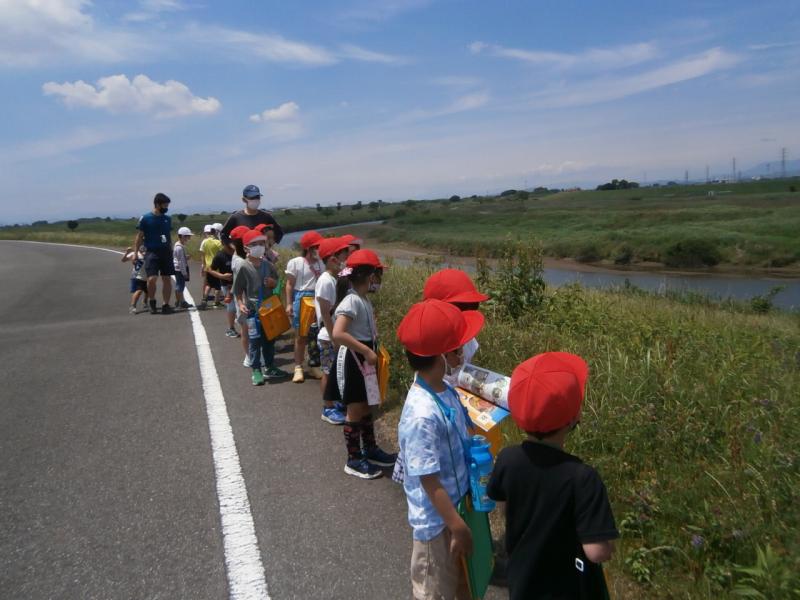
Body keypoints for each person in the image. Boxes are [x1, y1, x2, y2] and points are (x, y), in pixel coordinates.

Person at [487, 352, 618, 600]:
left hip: (522, 581)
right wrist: (609, 546)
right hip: (567, 589)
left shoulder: (507, 458)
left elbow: (504, 509)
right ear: (573, 418)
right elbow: (596, 551)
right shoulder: (583, 478)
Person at [395, 299, 485, 600]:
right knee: (435, 589)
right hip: (437, 524)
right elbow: (429, 481)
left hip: (456, 507)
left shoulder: (444, 390)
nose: (463, 354)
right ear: (441, 356)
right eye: (458, 350)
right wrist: (457, 527)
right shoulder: (421, 414)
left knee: (462, 586)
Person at [324, 249, 396, 479]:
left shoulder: (362, 299)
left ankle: (371, 449)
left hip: (365, 360)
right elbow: (338, 333)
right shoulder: (352, 300)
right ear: (370, 276)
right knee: (355, 409)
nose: (379, 280)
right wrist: (366, 350)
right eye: (378, 274)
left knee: (366, 406)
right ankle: (354, 459)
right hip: (355, 360)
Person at [232, 229, 291, 386]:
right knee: (255, 341)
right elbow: (237, 290)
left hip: (269, 309)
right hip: (252, 311)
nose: (259, 247)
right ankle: (256, 370)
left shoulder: (268, 265)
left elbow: (277, 281)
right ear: (246, 248)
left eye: (261, 243)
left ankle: (270, 367)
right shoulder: (243, 266)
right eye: (254, 244)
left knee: (270, 340)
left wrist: (273, 283)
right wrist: (240, 303)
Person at [422, 269, 489, 385]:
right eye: (463, 308)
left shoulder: (467, 337)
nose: (467, 315)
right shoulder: (428, 346)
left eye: (473, 307)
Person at [314, 237, 351, 425]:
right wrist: (335, 337)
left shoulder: (335, 279)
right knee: (328, 372)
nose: (347, 258)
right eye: (344, 255)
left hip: (335, 335)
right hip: (328, 336)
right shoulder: (326, 281)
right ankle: (327, 407)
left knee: (336, 371)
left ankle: (334, 402)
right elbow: (325, 314)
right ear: (332, 259)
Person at [285, 231, 324, 383]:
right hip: (302, 299)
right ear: (309, 248)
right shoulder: (295, 262)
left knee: (316, 334)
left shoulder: (322, 262)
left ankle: (314, 364)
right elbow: (289, 284)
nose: (319, 250)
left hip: (318, 299)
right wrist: (288, 303)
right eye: (317, 247)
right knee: (301, 335)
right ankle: (298, 367)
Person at [133, 192, 175, 314]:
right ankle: (152, 301)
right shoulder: (145, 218)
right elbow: (139, 236)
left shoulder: (167, 219)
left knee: (167, 278)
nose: (166, 208)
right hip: (151, 252)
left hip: (166, 251)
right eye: (165, 205)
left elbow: (168, 236)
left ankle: (166, 304)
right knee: (152, 279)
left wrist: (171, 249)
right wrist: (135, 252)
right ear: (157, 204)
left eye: (167, 205)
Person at [220, 185, 284, 247]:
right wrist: (234, 248)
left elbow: (279, 232)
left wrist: (269, 245)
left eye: (257, 197)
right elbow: (223, 235)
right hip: (242, 256)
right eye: (252, 198)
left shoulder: (266, 216)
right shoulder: (235, 217)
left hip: (262, 254)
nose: (255, 200)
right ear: (244, 200)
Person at [207, 243, 237, 336]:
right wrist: (222, 276)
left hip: (240, 284)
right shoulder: (220, 255)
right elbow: (210, 269)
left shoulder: (239, 253)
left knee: (241, 306)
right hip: (227, 285)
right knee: (231, 307)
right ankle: (231, 328)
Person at [199, 224, 223, 309]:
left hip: (208, 266)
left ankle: (204, 299)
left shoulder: (205, 242)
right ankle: (216, 302)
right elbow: (223, 252)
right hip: (216, 267)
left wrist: (204, 265)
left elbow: (202, 254)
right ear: (216, 233)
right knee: (217, 285)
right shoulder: (218, 242)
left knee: (208, 284)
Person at [121, 245, 148, 313]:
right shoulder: (135, 254)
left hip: (147, 276)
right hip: (137, 276)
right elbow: (123, 260)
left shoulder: (149, 254)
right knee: (139, 291)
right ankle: (133, 306)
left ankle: (145, 302)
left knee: (148, 291)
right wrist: (127, 253)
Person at [173, 226, 194, 309]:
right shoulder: (179, 247)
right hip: (180, 269)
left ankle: (181, 301)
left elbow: (180, 258)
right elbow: (181, 262)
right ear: (182, 236)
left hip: (178, 268)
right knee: (180, 286)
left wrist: (185, 257)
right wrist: (184, 273)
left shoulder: (179, 245)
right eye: (187, 236)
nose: (188, 238)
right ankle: (179, 302)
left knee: (180, 285)